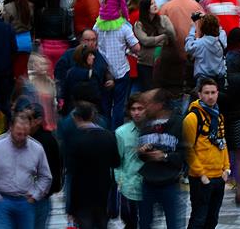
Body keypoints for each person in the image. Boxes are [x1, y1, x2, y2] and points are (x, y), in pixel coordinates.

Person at [0, 114, 53, 228]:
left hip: (25, 202)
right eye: (19, 134)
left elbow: (46, 176)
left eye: (25, 134)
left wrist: (35, 195)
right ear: (10, 127)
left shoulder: (37, 149)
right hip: (3, 202)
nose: (22, 138)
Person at [63, 101, 119, 228]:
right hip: (103, 192)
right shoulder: (108, 136)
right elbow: (116, 162)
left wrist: (71, 209)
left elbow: (72, 173)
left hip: (82, 195)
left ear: (76, 118)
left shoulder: (76, 140)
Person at [183, 79, 230, 229]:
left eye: (213, 92)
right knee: (198, 219)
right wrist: (201, 174)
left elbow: (222, 142)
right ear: (200, 94)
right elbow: (188, 149)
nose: (210, 96)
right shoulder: (192, 118)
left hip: (218, 176)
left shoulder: (218, 116)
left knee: (212, 220)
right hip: (201, 179)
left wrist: (226, 168)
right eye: (206, 93)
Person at [137, 89, 186, 229]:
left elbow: (184, 155)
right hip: (148, 183)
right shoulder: (145, 123)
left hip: (170, 183)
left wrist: (164, 156)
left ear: (158, 105)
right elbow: (140, 153)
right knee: (145, 224)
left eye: (147, 103)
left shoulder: (178, 123)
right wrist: (141, 152)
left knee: (174, 225)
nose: (144, 107)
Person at [93, 2, 140, 128]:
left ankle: (106, 132)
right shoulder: (124, 27)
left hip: (104, 72)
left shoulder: (97, 25)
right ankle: (117, 132)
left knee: (105, 105)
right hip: (121, 70)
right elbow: (136, 47)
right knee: (119, 105)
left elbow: (93, 41)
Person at [134, 0, 176, 93]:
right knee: (148, 91)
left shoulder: (164, 19)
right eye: (152, 4)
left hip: (163, 61)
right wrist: (162, 37)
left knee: (162, 91)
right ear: (146, 8)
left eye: (155, 3)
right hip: (146, 64)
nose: (155, 6)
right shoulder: (139, 24)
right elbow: (145, 41)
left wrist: (159, 38)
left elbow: (172, 34)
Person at [116, 94, 146, 229]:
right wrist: (121, 181)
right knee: (130, 222)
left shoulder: (154, 129)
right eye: (133, 109)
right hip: (129, 186)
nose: (137, 112)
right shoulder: (121, 133)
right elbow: (117, 160)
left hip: (149, 185)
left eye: (140, 108)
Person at [186, 13, 228, 87]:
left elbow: (188, 47)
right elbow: (221, 30)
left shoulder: (199, 44)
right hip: (219, 79)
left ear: (203, 28)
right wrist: (208, 17)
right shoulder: (221, 39)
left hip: (203, 79)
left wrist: (193, 28)